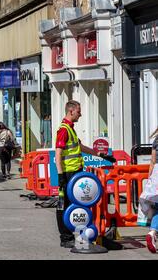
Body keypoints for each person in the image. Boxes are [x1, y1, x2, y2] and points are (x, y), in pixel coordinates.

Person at [55, 100, 115, 248]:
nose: (80, 114)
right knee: (64, 205)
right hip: (68, 174)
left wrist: (100, 155)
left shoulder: (70, 129)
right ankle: (65, 237)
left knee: (74, 205)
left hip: (75, 173)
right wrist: (61, 175)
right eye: (78, 111)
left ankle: (71, 234)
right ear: (71, 111)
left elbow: (80, 147)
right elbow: (58, 154)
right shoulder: (63, 130)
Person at [140, 127, 158, 253]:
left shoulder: (156, 140)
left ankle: (152, 232)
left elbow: (152, 161)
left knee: (157, 206)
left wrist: (150, 180)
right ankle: (153, 232)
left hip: (156, 174)